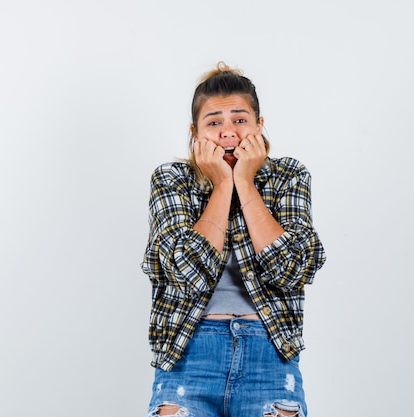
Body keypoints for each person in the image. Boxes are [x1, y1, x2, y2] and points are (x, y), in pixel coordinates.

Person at [140, 62, 326, 417]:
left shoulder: (288, 175)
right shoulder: (171, 179)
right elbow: (186, 272)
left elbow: (290, 270)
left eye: (240, 120)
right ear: (195, 133)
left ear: (259, 125)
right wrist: (223, 184)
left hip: (269, 357)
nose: (229, 133)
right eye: (214, 122)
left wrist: (245, 181)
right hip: (188, 355)